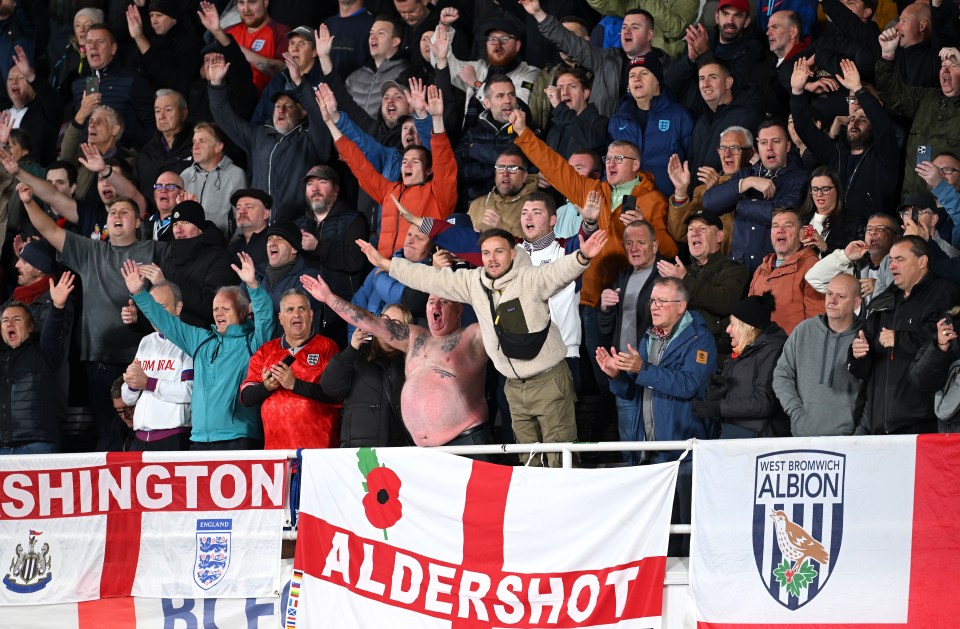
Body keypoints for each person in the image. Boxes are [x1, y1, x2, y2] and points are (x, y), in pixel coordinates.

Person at [358, 226, 608, 466]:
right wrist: (386, 264)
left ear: (513, 253)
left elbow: (557, 272)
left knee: (559, 457)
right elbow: (427, 278)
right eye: (486, 253)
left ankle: (563, 509)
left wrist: (582, 256)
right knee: (529, 461)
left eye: (499, 251)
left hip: (548, 381)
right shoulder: (473, 282)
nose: (492, 258)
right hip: (513, 387)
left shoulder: (530, 279)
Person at [19, 185, 170, 452]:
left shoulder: (156, 250)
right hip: (98, 362)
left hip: (143, 361)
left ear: (137, 221)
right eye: (112, 211)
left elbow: (173, 300)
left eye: (124, 211)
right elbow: (51, 231)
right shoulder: (90, 251)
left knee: (146, 433)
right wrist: (29, 202)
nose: (117, 215)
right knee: (108, 438)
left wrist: (144, 314)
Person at [301, 274, 493, 458]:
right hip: (424, 451)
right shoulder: (414, 337)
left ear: (459, 310)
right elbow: (370, 321)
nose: (436, 305)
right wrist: (329, 298)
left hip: (466, 441)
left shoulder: (473, 335)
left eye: (444, 301)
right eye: (431, 301)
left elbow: (501, 321)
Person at [122, 252, 272, 450]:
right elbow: (167, 322)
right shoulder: (202, 340)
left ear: (243, 313)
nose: (218, 313)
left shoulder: (252, 342)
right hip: (200, 440)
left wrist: (253, 286)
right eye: (215, 308)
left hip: (238, 438)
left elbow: (266, 318)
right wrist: (139, 294)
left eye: (225, 308)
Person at [316, 82, 456, 259]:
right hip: (382, 266)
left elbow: (443, 160)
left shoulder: (437, 193)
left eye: (415, 161)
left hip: (416, 269)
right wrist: (331, 121)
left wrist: (431, 118)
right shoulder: (390, 185)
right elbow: (359, 162)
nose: (407, 165)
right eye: (405, 161)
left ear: (428, 169)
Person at [596, 276, 718, 462]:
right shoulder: (649, 336)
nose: (654, 306)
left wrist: (642, 369)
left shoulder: (700, 339)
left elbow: (689, 385)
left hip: (682, 452)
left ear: (681, 306)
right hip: (646, 447)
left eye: (662, 301)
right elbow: (633, 393)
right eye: (653, 300)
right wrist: (616, 376)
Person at [848, 236, 960, 434]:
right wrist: (857, 354)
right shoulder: (883, 301)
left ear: (922, 261)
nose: (892, 266)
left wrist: (900, 339)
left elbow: (946, 343)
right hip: (878, 424)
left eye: (900, 259)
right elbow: (861, 368)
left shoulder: (945, 292)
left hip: (924, 424)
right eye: (891, 260)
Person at [207, 52, 328, 222]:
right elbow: (224, 116)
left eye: (288, 106)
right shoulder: (259, 136)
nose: (281, 110)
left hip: (297, 228)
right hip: (261, 228)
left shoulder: (311, 138)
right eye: (277, 106)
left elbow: (318, 115)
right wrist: (216, 84)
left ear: (302, 113)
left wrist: (299, 83)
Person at [790, 57, 898, 224]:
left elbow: (883, 127)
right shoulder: (837, 151)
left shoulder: (884, 153)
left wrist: (858, 89)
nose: (854, 118)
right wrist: (797, 92)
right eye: (852, 101)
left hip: (870, 234)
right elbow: (804, 128)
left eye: (862, 118)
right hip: (836, 232)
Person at [702, 120, 808, 272]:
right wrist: (747, 182)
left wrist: (741, 205)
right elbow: (709, 203)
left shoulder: (799, 178)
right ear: (758, 147)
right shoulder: (746, 174)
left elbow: (779, 215)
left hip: (774, 270)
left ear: (788, 146)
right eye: (764, 143)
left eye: (776, 142)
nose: (769, 148)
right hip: (738, 270)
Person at [240, 289, 341, 449]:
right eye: (290, 309)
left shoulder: (327, 347)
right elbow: (246, 397)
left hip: (317, 454)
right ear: (280, 318)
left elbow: (336, 395)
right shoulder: (266, 351)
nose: (296, 314)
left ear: (311, 314)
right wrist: (266, 387)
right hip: (276, 455)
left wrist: (295, 384)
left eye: (302, 308)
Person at [519, 0, 656, 117]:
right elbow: (569, 42)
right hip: (603, 140)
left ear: (650, 35)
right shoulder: (604, 58)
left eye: (635, 27)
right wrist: (538, 13)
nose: (626, 31)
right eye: (624, 27)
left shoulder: (663, 63)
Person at [598, 219, 661, 464]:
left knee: (655, 447)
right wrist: (604, 307)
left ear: (654, 246)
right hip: (622, 373)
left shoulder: (664, 276)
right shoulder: (621, 277)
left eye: (640, 242)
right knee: (629, 446)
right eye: (629, 243)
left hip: (651, 372)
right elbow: (606, 329)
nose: (634, 248)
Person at [773, 273, 865, 437]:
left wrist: (860, 430)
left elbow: (875, 391)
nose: (832, 301)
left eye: (841, 296)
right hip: (803, 436)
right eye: (829, 294)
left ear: (856, 303)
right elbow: (781, 375)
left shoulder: (866, 336)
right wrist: (797, 413)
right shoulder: (803, 330)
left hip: (850, 441)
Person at [692, 292, 789, 439]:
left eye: (733, 324)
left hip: (760, 441)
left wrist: (719, 408)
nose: (727, 330)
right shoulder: (743, 351)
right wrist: (715, 395)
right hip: (736, 434)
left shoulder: (773, 350)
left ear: (748, 328)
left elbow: (764, 402)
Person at [0, 273, 74, 455]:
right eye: (4, 320)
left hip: (36, 445)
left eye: (17, 320)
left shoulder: (43, 353)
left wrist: (57, 308)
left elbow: (53, 334)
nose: (10, 323)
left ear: (31, 327)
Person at [320, 303, 411, 448]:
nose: (387, 325)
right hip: (359, 451)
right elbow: (330, 387)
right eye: (384, 318)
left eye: (395, 323)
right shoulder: (357, 354)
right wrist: (351, 350)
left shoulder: (411, 364)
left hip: (398, 452)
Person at [658, 212, 749, 357]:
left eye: (703, 229)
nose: (694, 233)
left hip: (714, 356)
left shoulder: (734, 269)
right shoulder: (681, 271)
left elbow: (725, 302)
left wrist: (684, 280)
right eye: (690, 229)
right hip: (677, 353)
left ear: (719, 237)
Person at [876, 42, 960, 195]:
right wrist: (887, 56)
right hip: (912, 204)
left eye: (954, 66)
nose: (945, 70)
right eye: (942, 65)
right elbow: (892, 94)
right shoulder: (927, 99)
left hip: (947, 207)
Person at [120, 280, 194, 451]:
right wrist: (132, 384)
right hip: (140, 437)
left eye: (162, 307)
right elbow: (128, 398)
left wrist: (148, 383)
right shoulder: (146, 342)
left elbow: (189, 391)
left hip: (172, 437)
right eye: (151, 308)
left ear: (178, 307)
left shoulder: (189, 340)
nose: (156, 314)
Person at [608, 54, 694, 198]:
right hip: (625, 205)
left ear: (658, 82)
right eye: (632, 75)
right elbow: (608, 164)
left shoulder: (680, 115)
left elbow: (692, 160)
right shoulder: (618, 120)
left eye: (644, 73)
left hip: (666, 203)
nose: (636, 78)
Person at [666, 125, 753, 255]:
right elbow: (681, 233)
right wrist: (681, 191)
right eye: (723, 148)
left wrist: (716, 195)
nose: (727, 154)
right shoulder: (702, 190)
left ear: (749, 153)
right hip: (711, 268)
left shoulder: (757, 185)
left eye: (734, 148)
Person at [68, 23, 155, 147]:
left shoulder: (133, 81)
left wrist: (134, 153)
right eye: (89, 42)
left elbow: (151, 124)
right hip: (84, 158)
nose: (93, 46)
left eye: (100, 41)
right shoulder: (78, 85)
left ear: (113, 49)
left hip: (122, 159)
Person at [748, 207, 825, 334]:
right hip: (758, 350)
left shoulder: (813, 268)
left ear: (801, 234)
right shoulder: (761, 269)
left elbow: (816, 324)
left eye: (788, 226)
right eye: (775, 226)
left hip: (789, 350)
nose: (780, 230)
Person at [180, 122, 248, 236]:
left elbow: (243, 219)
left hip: (221, 248)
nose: (195, 147)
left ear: (218, 147)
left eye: (202, 141)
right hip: (188, 246)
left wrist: (232, 249)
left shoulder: (236, 175)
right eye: (194, 142)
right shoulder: (185, 175)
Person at [467, 147, 539, 237]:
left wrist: (502, 227)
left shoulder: (537, 204)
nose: (505, 174)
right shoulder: (477, 203)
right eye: (500, 168)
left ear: (524, 176)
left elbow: (536, 243)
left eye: (512, 168)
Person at [798, 166, 859, 255]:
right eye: (815, 189)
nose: (819, 194)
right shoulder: (800, 218)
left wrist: (826, 247)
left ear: (837, 190)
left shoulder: (853, 221)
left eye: (825, 189)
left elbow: (857, 256)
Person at [228, 188, 272, 269]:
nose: (242, 211)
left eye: (248, 207)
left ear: (266, 214)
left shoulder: (275, 245)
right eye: (238, 208)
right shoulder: (233, 248)